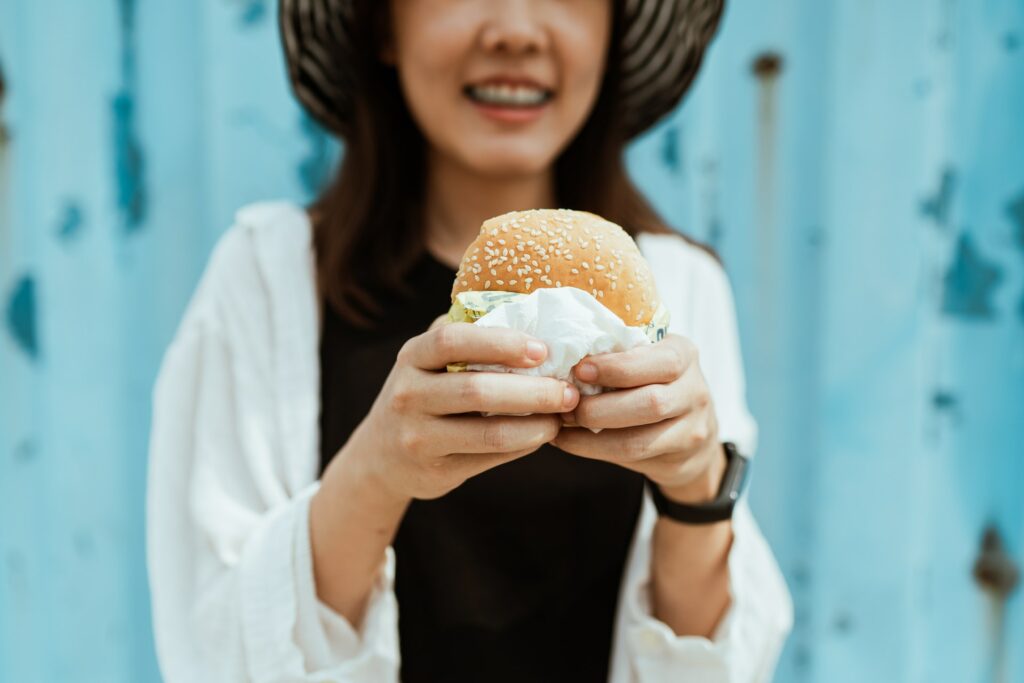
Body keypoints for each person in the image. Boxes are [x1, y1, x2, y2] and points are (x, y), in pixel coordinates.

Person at [146, 0, 792, 680]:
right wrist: (376, 471)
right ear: (385, 28)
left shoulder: (678, 288)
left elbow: (713, 665)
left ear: (613, 32)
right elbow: (218, 644)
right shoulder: (266, 280)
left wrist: (696, 486)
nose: (515, 30)